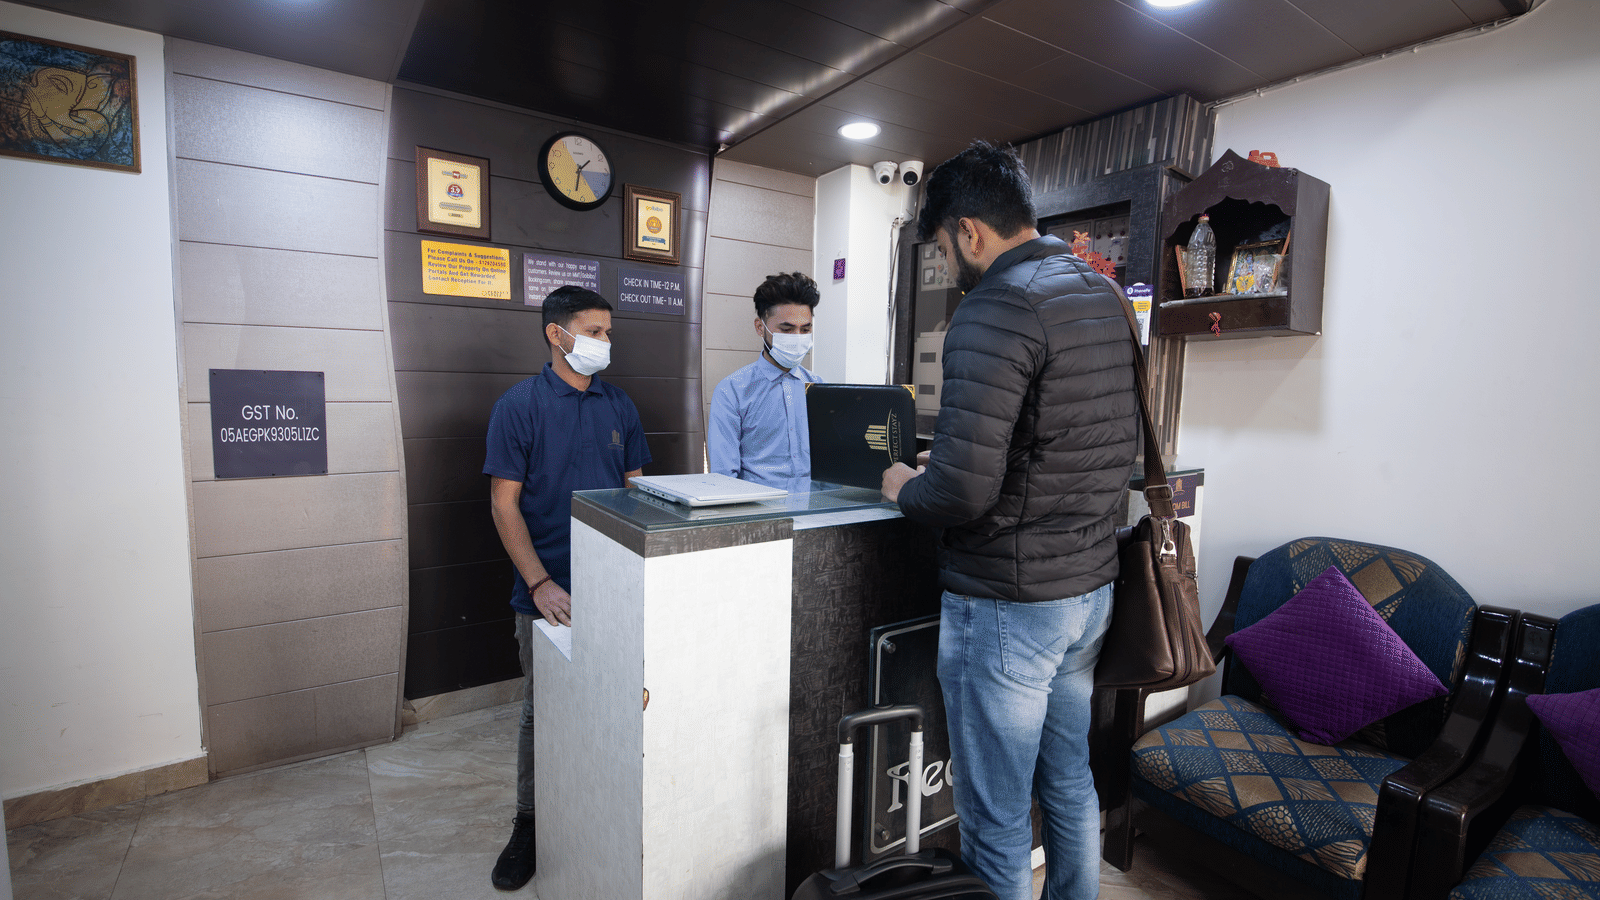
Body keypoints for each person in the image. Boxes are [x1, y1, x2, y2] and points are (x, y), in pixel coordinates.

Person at [880, 142, 1139, 900]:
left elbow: (958, 495)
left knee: (993, 818)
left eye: (941, 248)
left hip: (1008, 606)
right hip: (1088, 593)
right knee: (1068, 785)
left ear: (969, 231)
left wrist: (903, 484)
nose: (948, 264)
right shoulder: (1100, 293)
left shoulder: (995, 307)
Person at [482, 285, 651, 891]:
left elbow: (637, 492)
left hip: (618, 585)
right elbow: (505, 506)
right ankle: (528, 823)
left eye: (609, 333)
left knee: (613, 702)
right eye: (596, 332)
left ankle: (598, 806)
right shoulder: (519, 406)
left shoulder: (619, 405)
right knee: (542, 711)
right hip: (549, 588)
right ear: (558, 335)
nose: (607, 343)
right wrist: (541, 584)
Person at [708, 272, 821, 492]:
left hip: (816, 512)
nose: (797, 337)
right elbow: (723, 477)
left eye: (805, 329)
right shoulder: (732, 391)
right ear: (760, 327)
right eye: (787, 330)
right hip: (759, 514)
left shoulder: (819, 389)